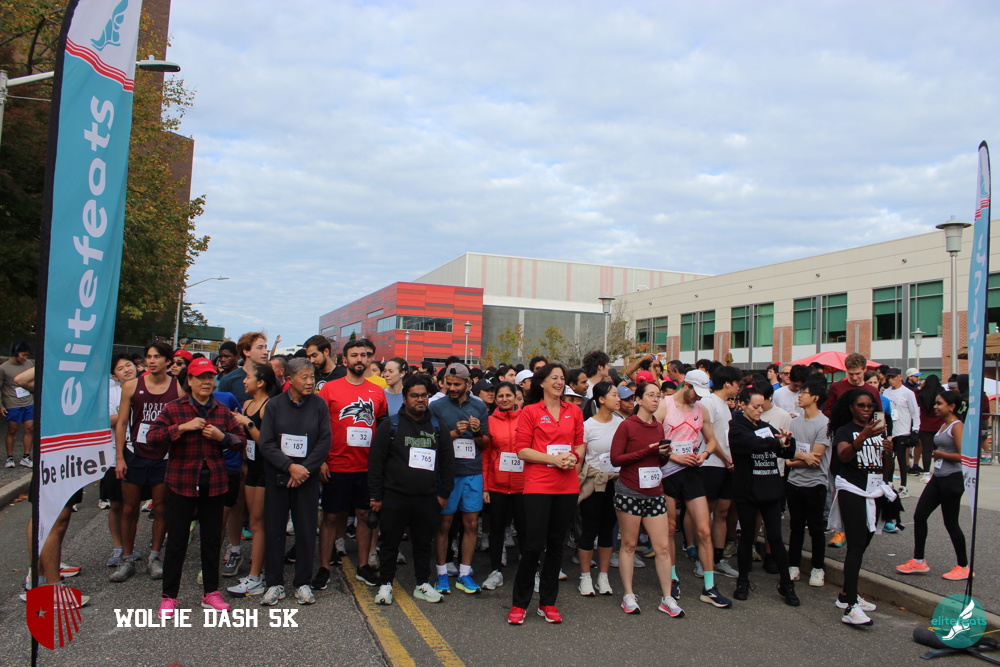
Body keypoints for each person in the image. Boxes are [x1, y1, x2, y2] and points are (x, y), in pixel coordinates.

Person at [147, 358, 246, 618]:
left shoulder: (222, 411)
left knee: (212, 541)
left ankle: (210, 592)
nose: (206, 382)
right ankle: (169, 596)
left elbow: (240, 441)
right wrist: (182, 427)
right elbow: (152, 437)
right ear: (189, 380)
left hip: (215, 483)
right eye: (200, 377)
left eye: (210, 377)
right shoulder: (174, 408)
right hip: (181, 483)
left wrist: (222, 437)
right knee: (177, 541)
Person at [368, 375, 456, 605]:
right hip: (394, 496)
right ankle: (385, 584)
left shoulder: (437, 426)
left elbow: (448, 462)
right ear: (405, 398)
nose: (420, 400)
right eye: (414, 396)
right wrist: (375, 496)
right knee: (389, 543)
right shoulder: (391, 425)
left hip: (427, 498)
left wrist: (443, 494)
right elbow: (376, 462)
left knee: (423, 544)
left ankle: (422, 584)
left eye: (423, 396)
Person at [507, 363, 584, 625]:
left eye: (562, 378)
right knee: (533, 545)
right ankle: (519, 603)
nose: (559, 382)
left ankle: (548, 602)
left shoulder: (574, 411)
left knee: (556, 545)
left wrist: (573, 457)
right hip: (538, 485)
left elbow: (580, 445)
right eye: (554, 378)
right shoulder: (530, 411)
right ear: (542, 382)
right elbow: (522, 450)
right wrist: (553, 459)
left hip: (567, 486)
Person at [654, 369, 731, 609]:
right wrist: (674, 456)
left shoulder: (701, 409)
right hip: (667, 471)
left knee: (704, 530)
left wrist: (705, 454)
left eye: (701, 394)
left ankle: (709, 587)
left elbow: (711, 439)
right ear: (685, 385)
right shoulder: (664, 405)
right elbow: (651, 441)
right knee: (669, 528)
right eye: (695, 392)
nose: (697, 398)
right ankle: (672, 578)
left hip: (692, 471)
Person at [258, 358, 332, 605]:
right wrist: (290, 467)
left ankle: (303, 583)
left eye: (312, 377)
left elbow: (324, 442)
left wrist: (304, 470)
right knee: (274, 531)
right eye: (304, 377)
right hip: (278, 476)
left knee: (306, 531)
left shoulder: (319, 405)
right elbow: (266, 443)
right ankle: (274, 583)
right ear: (289, 379)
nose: (310, 382)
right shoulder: (274, 405)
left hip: (306, 479)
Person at [317, 340, 388, 590]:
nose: (360, 359)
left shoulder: (378, 392)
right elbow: (318, 427)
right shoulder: (329, 389)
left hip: (366, 468)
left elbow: (382, 427)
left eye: (364, 355)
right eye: (355, 355)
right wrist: (321, 460)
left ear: (369, 359)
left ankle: (363, 566)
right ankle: (324, 567)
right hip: (336, 464)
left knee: (364, 516)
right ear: (344, 360)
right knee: (330, 517)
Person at [112, 341, 185, 583]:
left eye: (157, 357)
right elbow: (122, 422)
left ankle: (154, 557)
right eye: (149, 356)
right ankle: (127, 558)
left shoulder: (178, 388)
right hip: (135, 453)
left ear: (168, 361)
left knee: (161, 508)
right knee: (129, 508)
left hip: (164, 456)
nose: (152, 361)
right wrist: (119, 457)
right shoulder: (132, 385)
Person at [610, 382, 681, 616]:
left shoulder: (658, 427)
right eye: (650, 395)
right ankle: (628, 594)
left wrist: (664, 455)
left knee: (662, 546)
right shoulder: (627, 425)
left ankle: (667, 597)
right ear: (638, 399)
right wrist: (648, 451)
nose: (655, 400)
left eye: (658, 396)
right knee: (629, 544)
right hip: (629, 490)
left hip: (655, 491)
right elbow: (616, 459)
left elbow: (657, 461)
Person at [827, 388, 895, 626]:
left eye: (870, 406)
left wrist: (889, 454)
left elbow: (885, 469)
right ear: (851, 408)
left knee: (864, 542)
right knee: (855, 546)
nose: (866, 410)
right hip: (852, 490)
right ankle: (851, 608)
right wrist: (862, 436)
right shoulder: (844, 431)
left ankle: (847, 594)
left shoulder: (880, 430)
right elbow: (844, 456)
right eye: (861, 405)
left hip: (874, 491)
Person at [728, 385, 800, 606]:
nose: (760, 410)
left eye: (762, 406)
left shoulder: (766, 427)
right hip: (747, 491)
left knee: (776, 537)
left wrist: (787, 440)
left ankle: (786, 584)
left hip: (770, 489)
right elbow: (753, 444)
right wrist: (776, 442)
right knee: (747, 536)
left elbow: (785, 450)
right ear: (743, 405)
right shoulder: (736, 427)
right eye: (755, 406)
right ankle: (743, 581)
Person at [896, 391, 970, 580]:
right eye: (936, 403)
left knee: (951, 523)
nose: (935, 407)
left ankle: (964, 566)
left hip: (952, 480)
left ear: (951, 407)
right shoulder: (943, 425)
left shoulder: (957, 426)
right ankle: (919, 561)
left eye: (939, 403)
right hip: (938, 478)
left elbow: (963, 456)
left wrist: (940, 454)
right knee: (919, 515)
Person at [430, 363, 490, 595]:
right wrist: (454, 433)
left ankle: (465, 573)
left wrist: (476, 431)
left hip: (472, 471)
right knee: (444, 523)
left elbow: (485, 443)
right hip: (447, 473)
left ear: (468, 383)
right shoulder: (436, 406)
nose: (452, 388)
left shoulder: (479, 406)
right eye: (449, 384)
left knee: (471, 524)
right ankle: (442, 573)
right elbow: (431, 441)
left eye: (457, 384)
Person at [226, 363, 276, 597]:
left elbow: (267, 443)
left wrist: (247, 422)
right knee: (254, 521)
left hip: (266, 470)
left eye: (248, 377)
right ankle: (258, 572)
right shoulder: (246, 404)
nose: (244, 381)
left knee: (258, 522)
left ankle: (256, 577)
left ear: (261, 382)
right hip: (251, 468)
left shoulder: (269, 406)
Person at [785, 378, 831, 588]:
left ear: (816, 397)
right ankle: (793, 565)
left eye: (805, 392)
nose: (800, 395)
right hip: (794, 482)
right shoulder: (795, 422)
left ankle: (818, 568)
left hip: (816, 483)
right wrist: (800, 458)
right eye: (800, 391)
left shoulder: (824, 423)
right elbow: (789, 454)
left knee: (816, 528)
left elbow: (816, 459)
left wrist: (794, 460)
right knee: (795, 526)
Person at [577, 382, 622, 597]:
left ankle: (603, 576)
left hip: (616, 482)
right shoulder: (587, 426)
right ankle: (585, 576)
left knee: (608, 530)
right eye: (614, 395)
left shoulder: (621, 423)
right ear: (601, 400)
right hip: (593, 482)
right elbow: (580, 457)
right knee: (589, 529)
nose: (618, 399)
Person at [481, 381, 524, 591]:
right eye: (501, 396)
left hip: (523, 485)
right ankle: (495, 571)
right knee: (496, 529)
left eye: (508, 395)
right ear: (495, 399)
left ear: (516, 397)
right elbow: (486, 454)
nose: (505, 399)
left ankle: (530, 571)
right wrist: (485, 486)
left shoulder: (526, 418)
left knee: (525, 529)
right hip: (497, 484)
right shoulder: (489, 421)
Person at [700, 365, 740, 579]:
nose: (738, 388)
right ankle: (702, 559)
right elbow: (709, 437)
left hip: (726, 465)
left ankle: (718, 557)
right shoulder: (708, 402)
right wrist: (726, 458)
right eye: (737, 384)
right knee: (704, 513)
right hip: (711, 464)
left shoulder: (725, 405)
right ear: (727, 384)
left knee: (722, 511)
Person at [103, 354, 136, 566]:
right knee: (116, 504)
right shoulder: (111, 393)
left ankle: (129, 546)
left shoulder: (146, 388)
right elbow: (105, 420)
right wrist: (127, 410)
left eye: (129, 365)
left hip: (140, 454)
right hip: (114, 455)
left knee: (132, 505)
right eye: (120, 368)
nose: (126, 370)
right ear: (114, 375)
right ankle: (117, 546)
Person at [882, 368, 920, 501]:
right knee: (889, 457)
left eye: (893, 377)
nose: (891, 380)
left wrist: (915, 430)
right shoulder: (886, 392)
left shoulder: (908, 393)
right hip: (890, 431)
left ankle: (904, 486)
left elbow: (915, 413)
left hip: (903, 430)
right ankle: (889, 483)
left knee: (901, 458)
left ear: (900, 377)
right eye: (889, 377)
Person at [1, 342, 34, 468]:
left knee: (29, 428)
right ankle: (10, 457)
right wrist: (1, 405)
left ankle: (26, 456)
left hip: (28, 401)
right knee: (12, 429)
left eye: (26, 355)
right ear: (15, 353)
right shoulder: (4, 368)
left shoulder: (29, 365)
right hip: (12, 402)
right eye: (23, 355)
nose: (25, 358)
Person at [219, 332, 269, 404]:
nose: (265, 352)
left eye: (265, 347)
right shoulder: (228, 380)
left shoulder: (272, 380)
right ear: (246, 352)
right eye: (260, 347)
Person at [914, 374, 944, 482]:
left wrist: (920, 387)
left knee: (926, 451)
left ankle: (926, 473)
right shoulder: (941, 392)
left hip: (925, 426)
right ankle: (939, 471)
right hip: (939, 425)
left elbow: (914, 396)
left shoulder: (922, 393)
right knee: (939, 450)